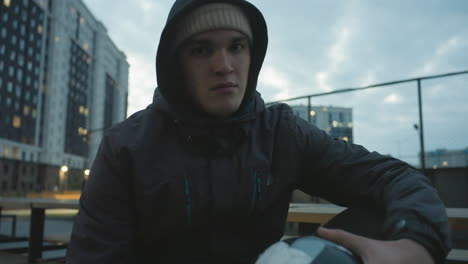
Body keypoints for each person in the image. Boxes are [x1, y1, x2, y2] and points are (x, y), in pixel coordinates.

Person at [66, 0, 451, 263]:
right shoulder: (127, 146)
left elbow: (394, 176)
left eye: (237, 46)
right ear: (175, 64)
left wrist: (414, 242)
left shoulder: (280, 132)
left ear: (253, 56)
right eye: (202, 50)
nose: (224, 65)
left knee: (372, 216)